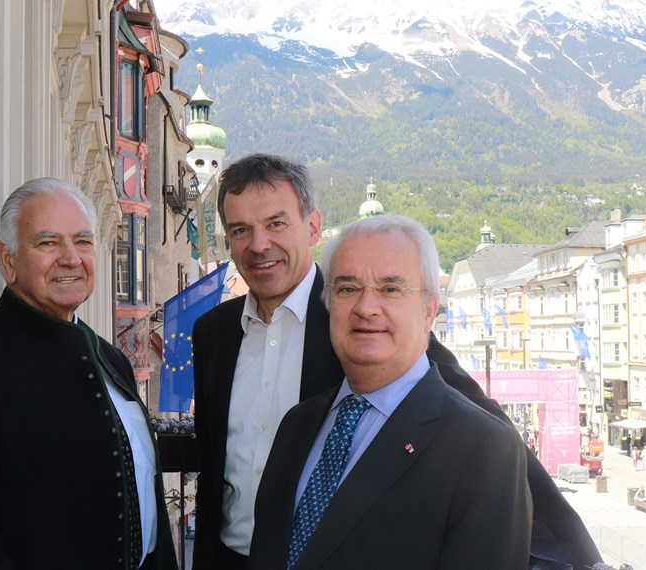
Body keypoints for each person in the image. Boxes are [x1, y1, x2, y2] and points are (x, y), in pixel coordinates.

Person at [191, 154, 601, 569]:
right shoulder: (213, 333)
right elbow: (213, 463)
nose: (259, 244)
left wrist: (580, 556)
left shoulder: (365, 327)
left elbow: (488, 444)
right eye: (241, 230)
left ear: (312, 227)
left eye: (276, 224)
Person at [249, 215, 532, 569]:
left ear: (429, 310)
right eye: (348, 288)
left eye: (390, 289)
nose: (366, 308)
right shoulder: (297, 423)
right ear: (329, 305)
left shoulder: (482, 446)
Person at [0, 179, 177, 570]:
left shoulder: (111, 359)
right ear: (7, 260)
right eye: (47, 243)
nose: (70, 258)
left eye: (82, 241)